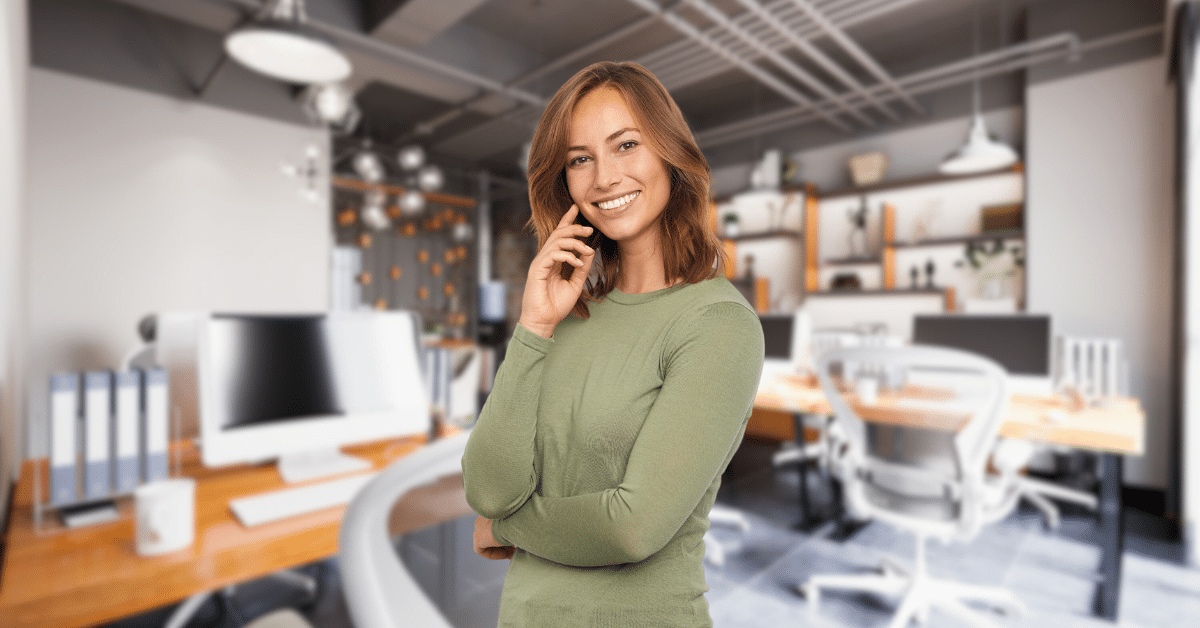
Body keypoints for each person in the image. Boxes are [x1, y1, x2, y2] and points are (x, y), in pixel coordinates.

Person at [460, 61, 764, 627]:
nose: (604, 177)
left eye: (626, 145)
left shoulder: (718, 323)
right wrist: (532, 326)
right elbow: (488, 487)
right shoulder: (568, 316)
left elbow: (632, 527)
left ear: (670, 153)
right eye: (580, 159)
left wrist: (505, 531)